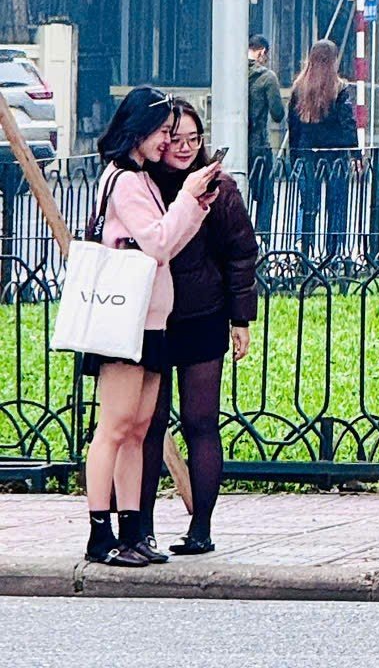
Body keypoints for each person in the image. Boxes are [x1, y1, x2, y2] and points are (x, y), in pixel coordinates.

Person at [78, 86, 219, 569]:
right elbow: (156, 244)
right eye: (162, 132)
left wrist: (196, 204)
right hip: (124, 321)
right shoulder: (124, 181)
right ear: (138, 132)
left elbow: (168, 245)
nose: (168, 141)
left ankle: (133, 531)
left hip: (149, 320)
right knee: (115, 427)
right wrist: (187, 199)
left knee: (139, 429)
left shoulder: (142, 181)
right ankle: (102, 532)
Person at [137, 101, 259, 556]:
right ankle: (140, 526)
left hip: (203, 313)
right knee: (148, 425)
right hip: (151, 318)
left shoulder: (219, 188)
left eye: (194, 139)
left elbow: (240, 254)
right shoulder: (141, 185)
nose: (186, 148)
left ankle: (201, 527)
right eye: (176, 140)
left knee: (200, 422)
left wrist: (240, 318)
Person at [286, 40, 359, 265]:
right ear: (334, 60)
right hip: (334, 154)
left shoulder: (299, 87)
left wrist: (294, 155)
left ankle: (303, 249)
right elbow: (348, 123)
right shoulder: (339, 88)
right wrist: (355, 155)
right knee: (336, 204)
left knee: (308, 203)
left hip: (307, 152)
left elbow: (293, 125)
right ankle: (333, 252)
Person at [247, 36, 285, 240]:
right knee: (265, 196)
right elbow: (278, 113)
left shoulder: (231, 72)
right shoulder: (267, 78)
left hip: (235, 146)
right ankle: (263, 240)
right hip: (258, 146)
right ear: (262, 52)